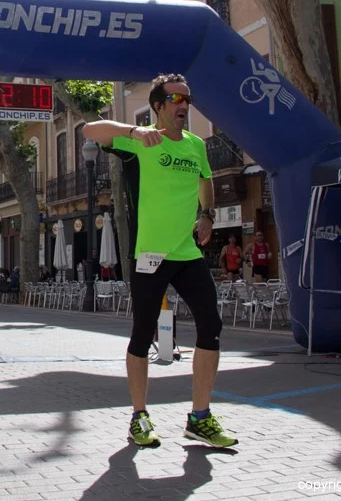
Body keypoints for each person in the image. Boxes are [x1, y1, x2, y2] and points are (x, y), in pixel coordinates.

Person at [83, 73, 236, 449]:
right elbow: (89, 130)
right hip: (149, 254)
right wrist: (133, 133)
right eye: (176, 99)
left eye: (188, 98)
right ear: (158, 106)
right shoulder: (141, 142)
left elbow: (205, 180)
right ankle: (139, 417)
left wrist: (207, 215)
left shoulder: (196, 145)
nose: (184, 104)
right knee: (142, 332)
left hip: (187, 253)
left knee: (210, 325)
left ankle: (200, 417)